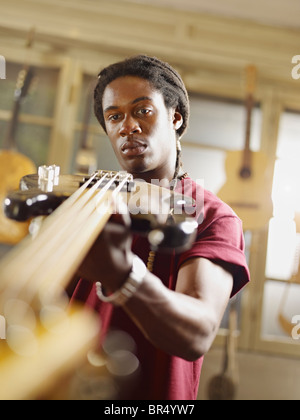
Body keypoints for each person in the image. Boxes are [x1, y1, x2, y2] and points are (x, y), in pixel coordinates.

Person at [72, 55, 250, 400]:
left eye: (142, 110)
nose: (128, 126)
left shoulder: (213, 216)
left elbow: (197, 333)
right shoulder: (87, 202)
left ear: (175, 117)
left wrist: (123, 275)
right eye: (114, 116)